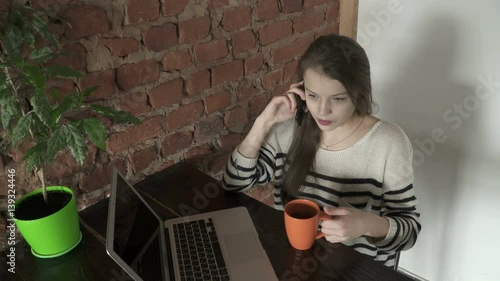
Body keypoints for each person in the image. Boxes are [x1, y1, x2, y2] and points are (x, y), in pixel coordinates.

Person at [222, 34, 421, 268]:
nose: (322, 111)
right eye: (313, 96)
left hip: (356, 271)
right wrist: (264, 122)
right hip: (295, 264)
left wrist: (367, 224)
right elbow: (233, 183)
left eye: (337, 99)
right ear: (300, 89)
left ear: (358, 94)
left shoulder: (389, 142)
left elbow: (409, 231)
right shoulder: (287, 130)